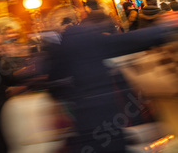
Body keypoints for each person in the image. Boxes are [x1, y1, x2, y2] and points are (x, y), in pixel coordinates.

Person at [49, 17, 178, 152]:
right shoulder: (89, 40)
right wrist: (164, 28)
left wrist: (74, 97)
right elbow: (131, 40)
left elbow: (54, 86)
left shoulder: (63, 49)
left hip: (85, 117)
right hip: (105, 112)